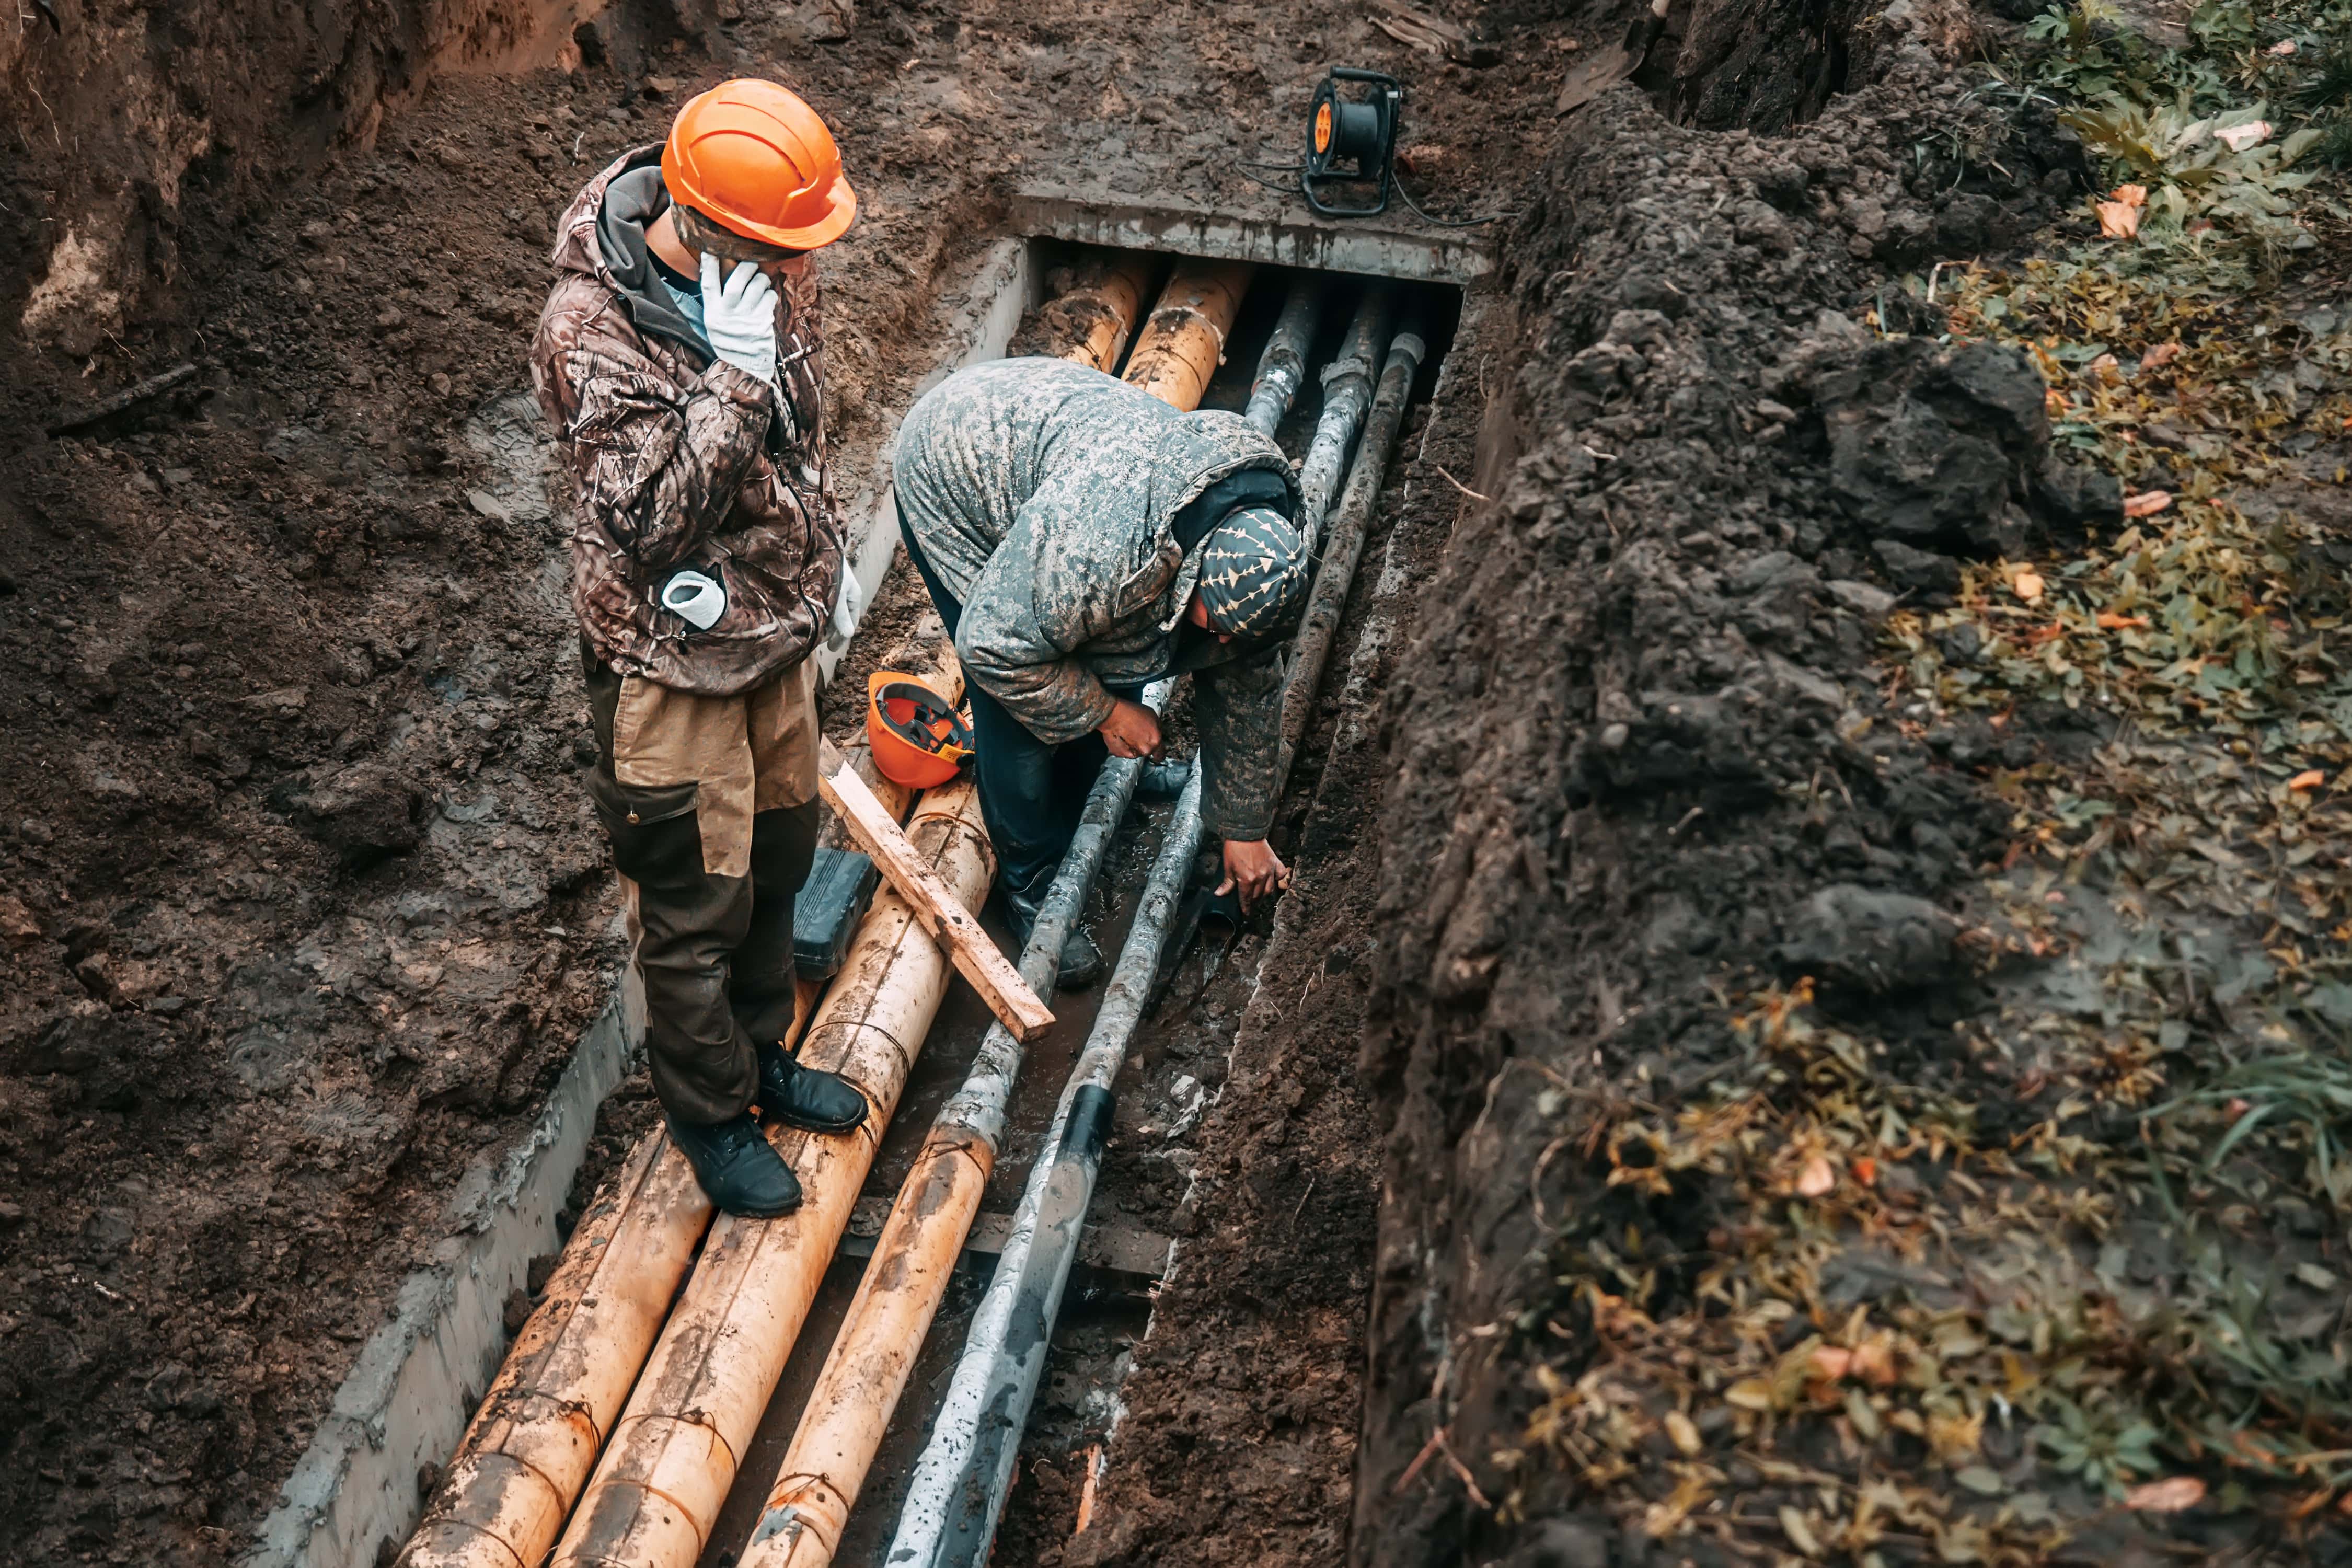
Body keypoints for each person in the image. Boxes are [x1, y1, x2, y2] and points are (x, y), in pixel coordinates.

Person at [529, 79, 867, 1218]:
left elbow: (805, 434)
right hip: (669, 661)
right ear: (711, 222)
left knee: (777, 862)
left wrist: (823, 553)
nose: (801, 268)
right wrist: (733, 378)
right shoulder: (591, 329)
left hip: (770, 633)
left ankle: (761, 1053)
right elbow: (650, 519)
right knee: (692, 902)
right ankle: (712, 1114)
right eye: (785, 246)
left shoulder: (762, 274)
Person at [892, 356, 1311, 987]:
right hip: (958, 471)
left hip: (1063, 449)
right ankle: (1031, 879)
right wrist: (1106, 713)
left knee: (1121, 643)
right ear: (1191, 569)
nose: (1222, 640)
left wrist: (1243, 828)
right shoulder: (1095, 555)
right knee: (1021, 715)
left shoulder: (1258, 553)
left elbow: (1245, 681)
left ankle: (1090, 787)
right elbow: (994, 647)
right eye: (1216, 622)